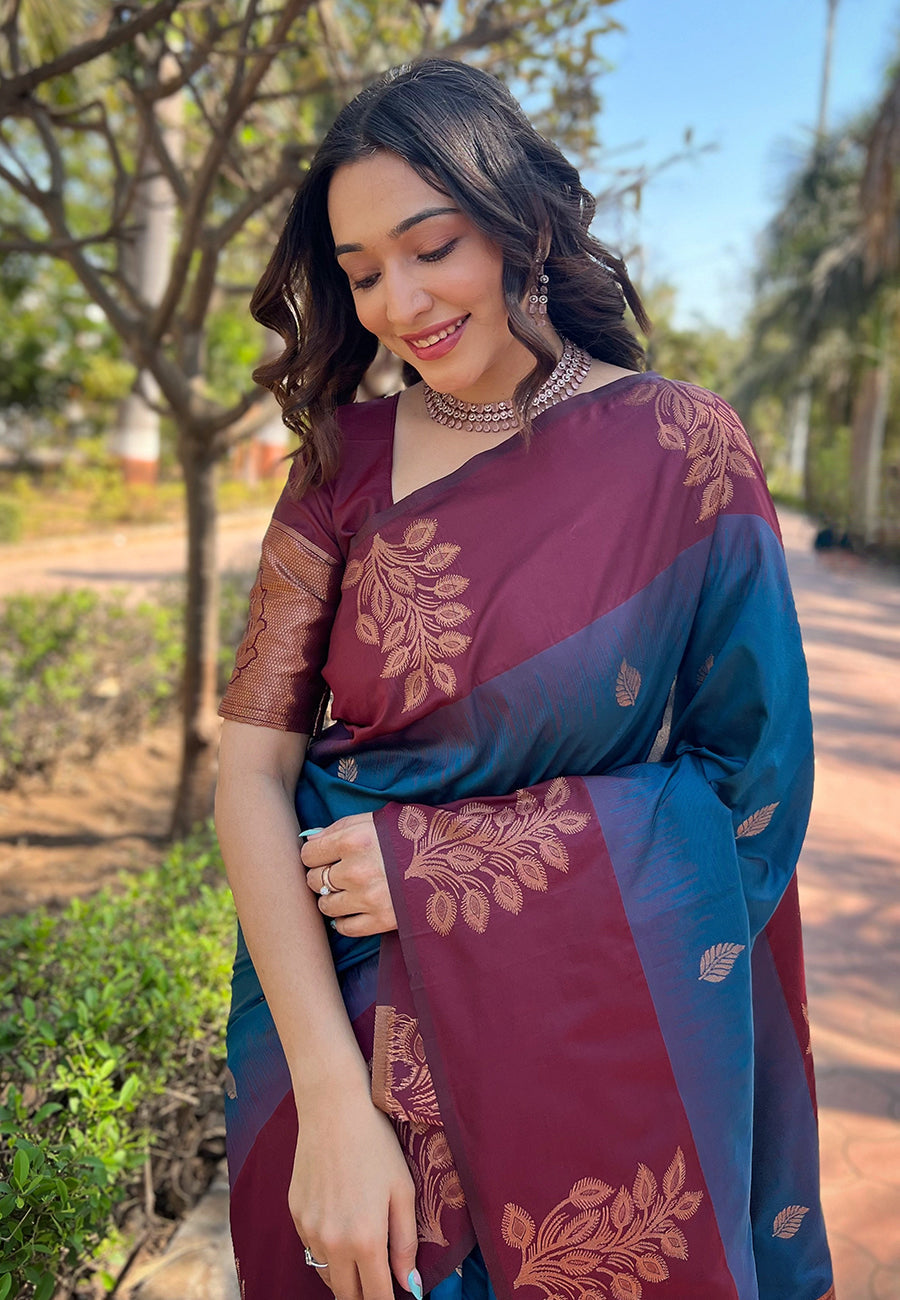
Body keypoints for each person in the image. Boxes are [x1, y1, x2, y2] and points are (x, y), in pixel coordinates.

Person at [214, 58, 834, 1300]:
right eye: (361, 272)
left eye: (431, 247)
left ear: (520, 222)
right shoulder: (340, 464)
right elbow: (251, 772)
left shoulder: (685, 452)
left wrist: (436, 867)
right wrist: (330, 1099)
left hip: (598, 1055)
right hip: (356, 1046)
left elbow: (752, 796)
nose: (399, 303)